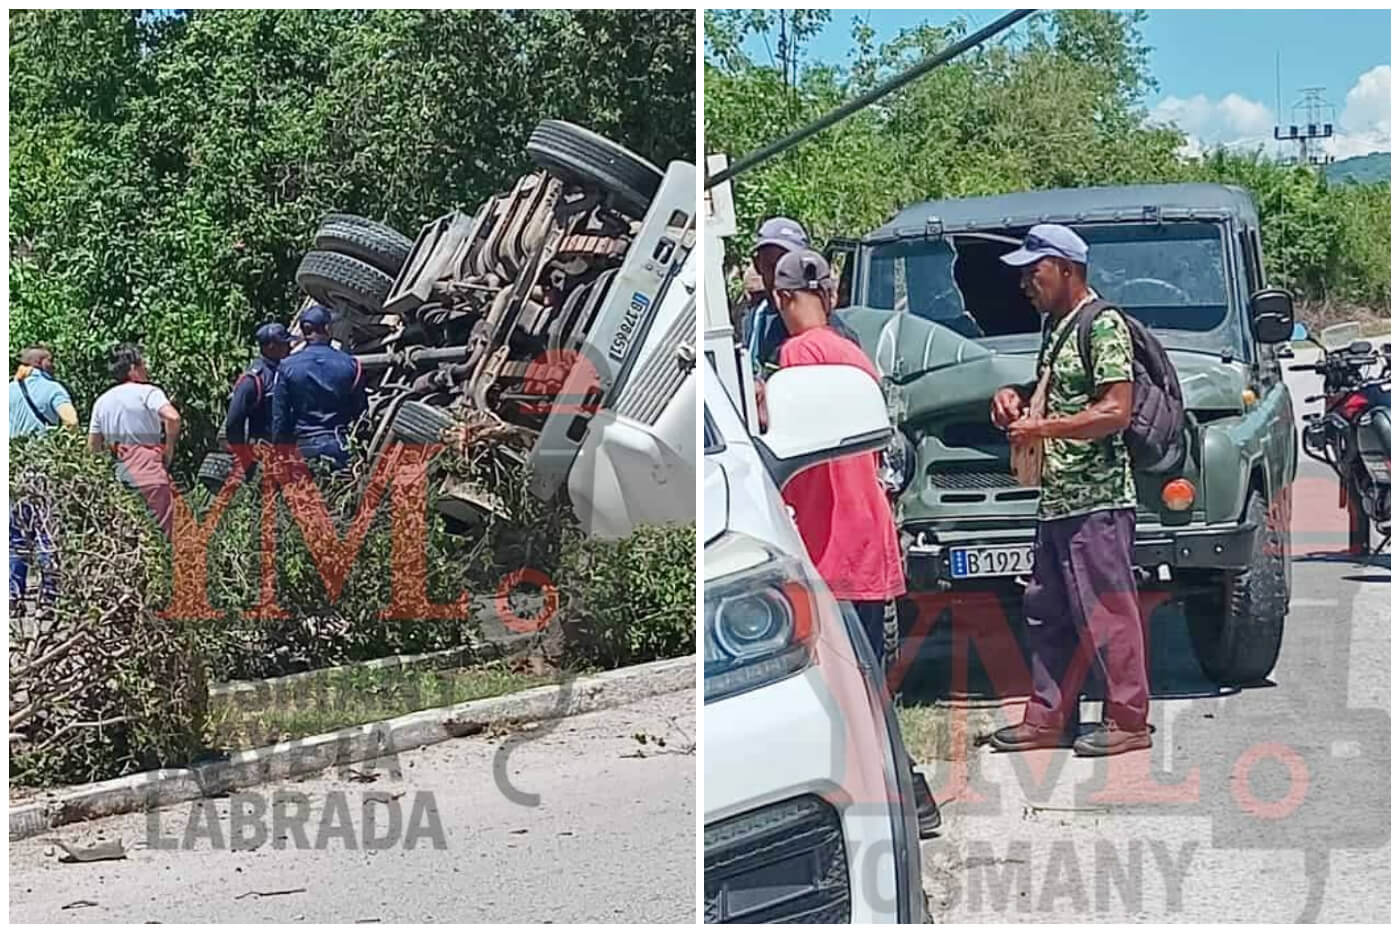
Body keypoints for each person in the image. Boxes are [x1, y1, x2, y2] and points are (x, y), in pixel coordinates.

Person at [770, 249, 941, 837]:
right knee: (864, 685)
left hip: (828, 549)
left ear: (782, 299)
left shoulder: (796, 357)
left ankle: (901, 801)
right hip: (866, 542)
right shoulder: (853, 356)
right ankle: (903, 800)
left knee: (845, 693)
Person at [989, 223, 1151, 758]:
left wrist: (1042, 430)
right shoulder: (1056, 327)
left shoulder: (1102, 325)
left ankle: (1128, 721)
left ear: (1067, 269)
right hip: (1058, 500)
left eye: (1034, 272)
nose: (1025, 285)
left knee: (1107, 612)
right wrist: (1014, 399)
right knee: (1047, 612)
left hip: (1098, 501)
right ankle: (1047, 718)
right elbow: (1058, 396)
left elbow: (1116, 410)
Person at [9, 347, 79, 615]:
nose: (54, 364)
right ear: (40, 363)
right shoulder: (52, 389)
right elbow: (71, 421)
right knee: (46, 534)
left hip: (13, 472)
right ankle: (47, 601)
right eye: (51, 359)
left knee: (15, 537)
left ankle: (13, 598)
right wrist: (65, 450)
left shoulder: (8, 390)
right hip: (42, 471)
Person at [89, 344, 182, 538]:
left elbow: (93, 448)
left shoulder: (102, 402)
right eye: (143, 363)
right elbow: (172, 417)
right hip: (150, 473)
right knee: (160, 538)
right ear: (133, 368)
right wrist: (169, 450)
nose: (146, 368)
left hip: (120, 476)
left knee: (129, 538)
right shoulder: (148, 392)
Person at [270, 305, 367, 471]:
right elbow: (360, 409)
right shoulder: (350, 364)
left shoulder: (286, 367)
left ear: (304, 332)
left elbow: (280, 417)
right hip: (338, 445)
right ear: (328, 328)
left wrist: (279, 453)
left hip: (302, 448)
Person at [224, 322, 293, 449]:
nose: (290, 347)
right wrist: (241, 453)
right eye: (284, 344)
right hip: (262, 451)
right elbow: (234, 421)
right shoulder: (253, 379)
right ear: (271, 347)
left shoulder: (284, 371)